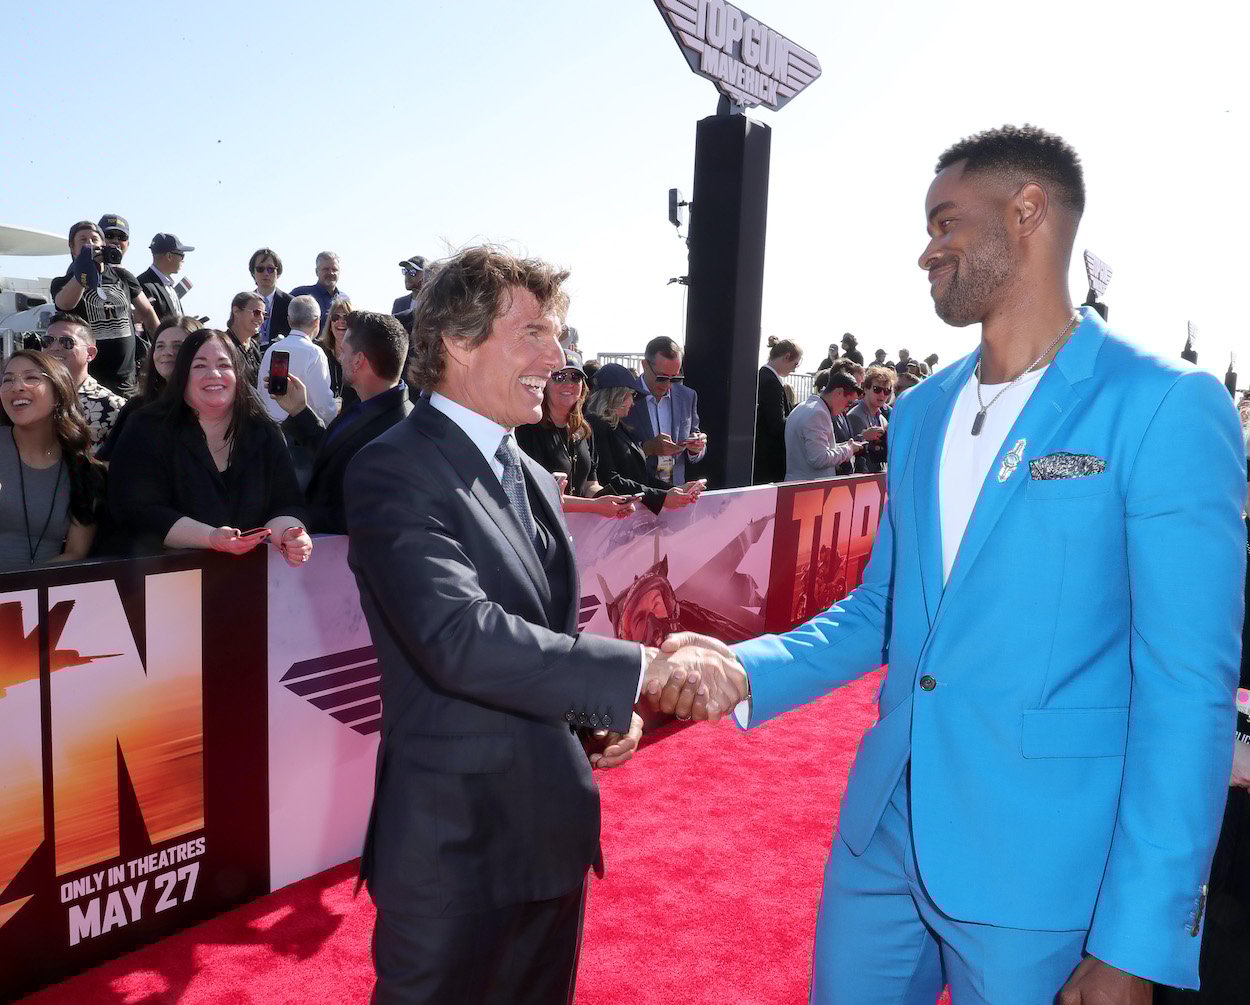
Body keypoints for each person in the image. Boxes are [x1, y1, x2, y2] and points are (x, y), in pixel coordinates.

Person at [661, 124, 1246, 1004]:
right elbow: (882, 611)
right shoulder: (927, 409)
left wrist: (1138, 939)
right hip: (886, 834)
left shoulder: (1164, 404)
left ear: (1028, 212)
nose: (926, 250)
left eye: (945, 222)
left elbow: (1187, 689)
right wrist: (742, 665)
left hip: (1044, 871)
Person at [341, 245, 723, 1004]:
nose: (559, 354)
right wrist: (636, 672)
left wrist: (593, 719)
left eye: (558, 335)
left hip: (549, 840)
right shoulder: (392, 467)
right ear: (456, 340)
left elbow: (539, 630)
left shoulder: (530, 476)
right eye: (535, 334)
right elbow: (461, 637)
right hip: (455, 851)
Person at [106, 329, 311, 563]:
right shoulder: (145, 427)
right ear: (183, 376)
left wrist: (291, 534)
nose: (214, 374)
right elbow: (136, 510)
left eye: (224, 365)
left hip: (250, 581)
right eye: (200, 366)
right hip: (161, 580)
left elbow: (287, 503)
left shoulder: (265, 433)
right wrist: (210, 538)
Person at [272, 311, 413, 535]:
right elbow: (332, 454)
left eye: (344, 351)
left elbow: (363, 515)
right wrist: (299, 411)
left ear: (359, 361)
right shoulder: (364, 404)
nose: (339, 358)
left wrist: (297, 519)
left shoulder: (400, 432)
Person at [0, 351, 107, 571]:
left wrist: (20, 585)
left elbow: (76, 553)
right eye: (7, 379)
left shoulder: (86, 471)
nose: (16, 386)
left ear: (59, 391)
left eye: (31, 377)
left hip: (39, 598)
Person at [515, 355, 637, 519]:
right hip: (543, 530)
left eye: (575, 377)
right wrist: (594, 506)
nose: (569, 384)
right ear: (545, 384)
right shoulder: (527, 429)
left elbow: (590, 484)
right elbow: (536, 494)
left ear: (583, 386)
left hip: (579, 532)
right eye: (559, 377)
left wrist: (611, 501)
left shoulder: (584, 430)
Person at [50, 220, 161, 396]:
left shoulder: (122, 276)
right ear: (72, 248)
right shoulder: (63, 282)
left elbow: (147, 312)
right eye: (83, 240)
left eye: (95, 239)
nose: (90, 244)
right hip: (88, 384)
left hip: (127, 382)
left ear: (103, 244)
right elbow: (65, 304)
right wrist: (84, 272)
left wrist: (161, 345)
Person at [587, 364, 703, 516]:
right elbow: (610, 479)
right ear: (618, 396)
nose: (633, 403)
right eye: (632, 396)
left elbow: (640, 476)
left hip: (628, 515)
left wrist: (673, 491)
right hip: (612, 519)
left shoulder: (617, 426)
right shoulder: (596, 425)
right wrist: (662, 497)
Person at [97, 317, 204, 462]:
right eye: (160, 346)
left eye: (178, 346)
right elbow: (109, 461)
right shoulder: (136, 409)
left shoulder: (214, 407)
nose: (167, 352)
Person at [623, 336, 707, 487]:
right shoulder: (625, 397)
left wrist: (696, 447)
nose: (668, 385)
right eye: (661, 378)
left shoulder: (687, 396)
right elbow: (613, 454)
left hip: (675, 491)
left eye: (674, 378)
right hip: (638, 492)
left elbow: (695, 441)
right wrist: (647, 449)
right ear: (644, 365)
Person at [38, 312, 126, 453]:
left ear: (90, 353)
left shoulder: (114, 406)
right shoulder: (29, 396)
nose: (54, 348)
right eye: (48, 341)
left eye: (66, 342)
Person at [784, 369, 875, 481]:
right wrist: (849, 449)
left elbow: (814, 450)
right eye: (848, 403)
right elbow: (818, 458)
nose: (846, 409)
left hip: (797, 484)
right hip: (809, 490)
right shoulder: (818, 413)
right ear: (838, 393)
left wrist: (845, 446)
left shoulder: (804, 407)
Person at [754, 336, 802, 484]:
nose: (794, 369)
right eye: (795, 364)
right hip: (769, 460)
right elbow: (776, 424)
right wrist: (798, 417)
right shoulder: (771, 382)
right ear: (787, 357)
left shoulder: (764, 376)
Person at [847, 363, 894, 473]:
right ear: (865, 388)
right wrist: (864, 437)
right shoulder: (855, 416)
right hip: (860, 478)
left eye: (887, 391)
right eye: (877, 389)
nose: (882, 394)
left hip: (876, 477)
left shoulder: (882, 418)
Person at [136, 233, 194, 321]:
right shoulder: (142, 285)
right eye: (182, 255)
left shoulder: (167, 285)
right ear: (169, 256)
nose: (183, 260)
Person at [250, 247, 291, 345]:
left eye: (270, 269)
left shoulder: (290, 303)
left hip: (280, 356)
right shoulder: (244, 304)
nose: (265, 273)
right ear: (253, 273)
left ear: (278, 273)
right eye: (260, 269)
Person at [289, 251, 348, 319]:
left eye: (334, 270)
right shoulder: (300, 294)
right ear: (317, 272)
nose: (331, 273)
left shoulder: (345, 299)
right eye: (326, 269)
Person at [225, 291, 266, 386]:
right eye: (256, 312)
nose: (261, 319)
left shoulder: (254, 346)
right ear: (236, 311)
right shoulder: (223, 345)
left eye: (264, 315)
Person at [315, 295, 352, 399]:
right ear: (330, 323)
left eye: (346, 317)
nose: (341, 321)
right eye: (335, 317)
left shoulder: (359, 354)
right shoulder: (318, 350)